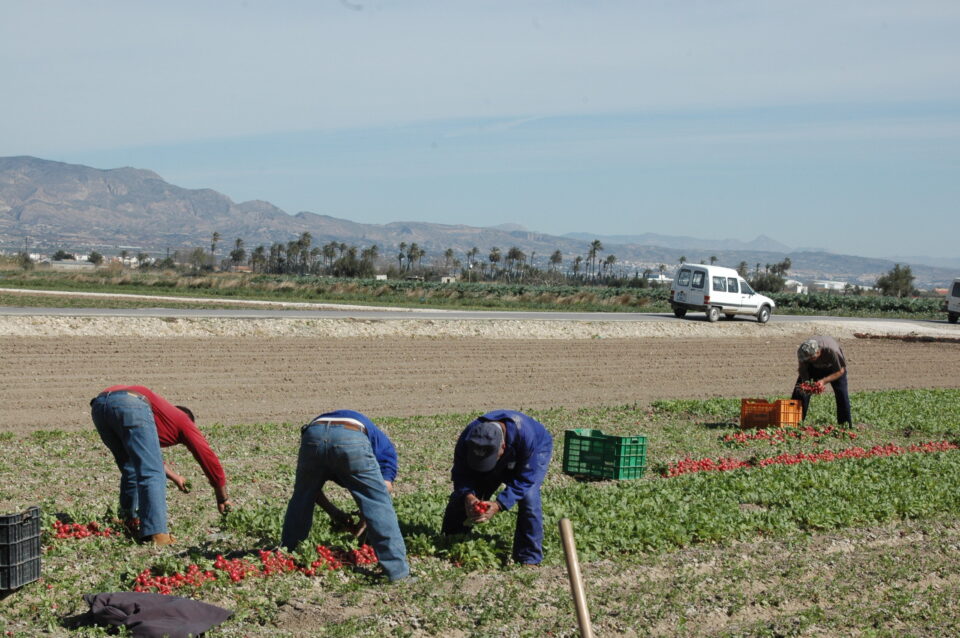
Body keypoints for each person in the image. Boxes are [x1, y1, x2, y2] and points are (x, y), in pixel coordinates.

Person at [90, 385, 232, 545]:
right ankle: (157, 533)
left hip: (100, 406)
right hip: (130, 402)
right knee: (152, 473)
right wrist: (222, 497)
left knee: (130, 466)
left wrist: (175, 477)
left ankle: (128, 522)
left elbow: (144, 456)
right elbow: (207, 456)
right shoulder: (183, 420)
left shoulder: (161, 417)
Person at [280, 410, 411, 583]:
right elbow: (380, 493)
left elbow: (313, 491)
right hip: (350, 435)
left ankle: (286, 556)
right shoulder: (386, 454)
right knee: (379, 503)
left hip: (314, 432)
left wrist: (336, 514)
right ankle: (397, 572)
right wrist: (367, 516)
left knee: (302, 497)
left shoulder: (373, 436)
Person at [441, 410, 553, 565]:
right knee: (468, 492)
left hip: (535, 450)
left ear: (503, 446)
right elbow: (461, 473)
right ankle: (451, 539)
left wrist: (499, 504)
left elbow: (525, 479)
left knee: (529, 497)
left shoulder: (526, 437)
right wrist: (469, 496)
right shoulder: (468, 437)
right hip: (507, 448)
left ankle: (528, 557)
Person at [790, 336, 852, 425]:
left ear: (818, 352)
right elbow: (802, 369)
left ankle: (845, 425)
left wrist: (823, 381)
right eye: (807, 359)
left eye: (811, 358)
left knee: (842, 395)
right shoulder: (802, 352)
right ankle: (794, 423)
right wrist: (806, 383)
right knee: (800, 393)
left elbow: (840, 371)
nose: (808, 360)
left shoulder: (831, 351)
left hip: (833, 369)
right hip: (813, 368)